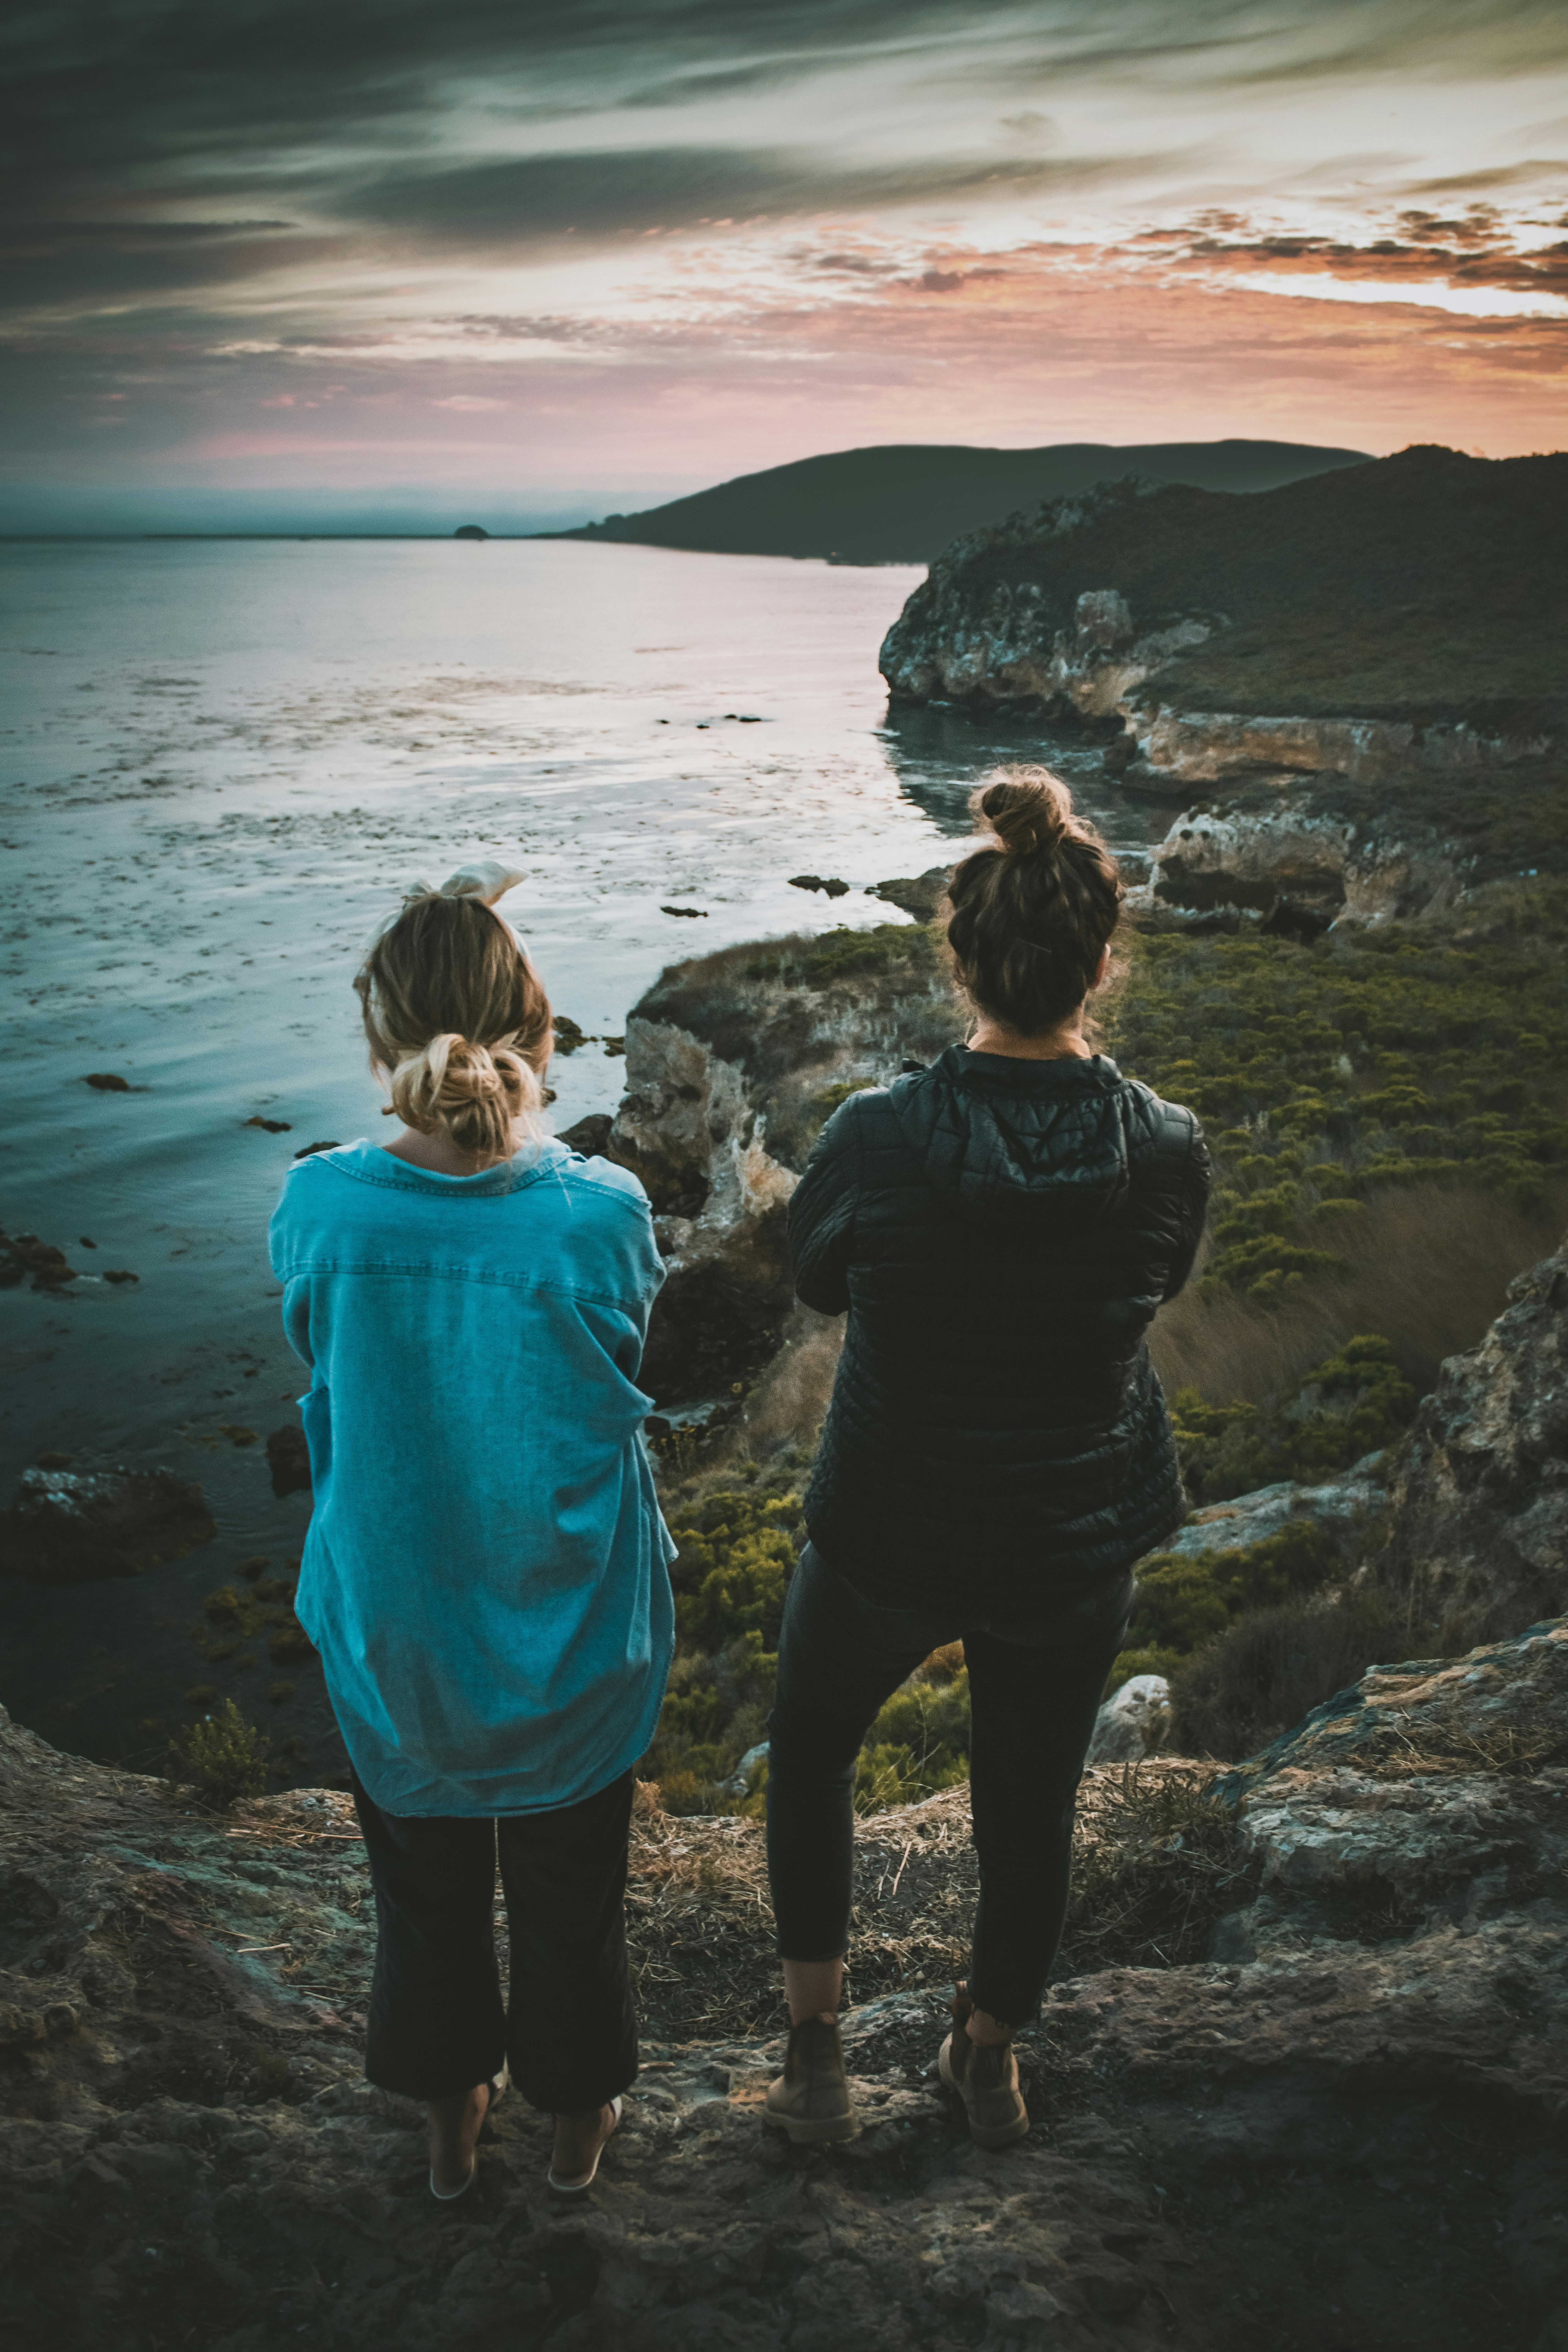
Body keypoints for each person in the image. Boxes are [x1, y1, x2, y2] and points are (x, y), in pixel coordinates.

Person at [763, 768, 1211, 2150]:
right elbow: (1149, 1288)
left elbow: (818, 1281)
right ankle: (989, 2055)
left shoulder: (876, 1137)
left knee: (808, 1754)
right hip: (1069, 1529)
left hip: (891, 1517)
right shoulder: (1165, 1149)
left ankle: (820, 2054)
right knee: (1031, 1802)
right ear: (1098, 961)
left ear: (958, 956)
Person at [268, 863, 674, 2199]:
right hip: (566, 1633)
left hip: (401, 1634)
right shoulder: (601, 1214)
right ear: (542, 1035)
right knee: (572, 1910)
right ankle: (573, 2134)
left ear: (381, 1044)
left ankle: (450, 2136)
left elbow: (328, 1348)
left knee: (425, 1908)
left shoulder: (317, 1207)